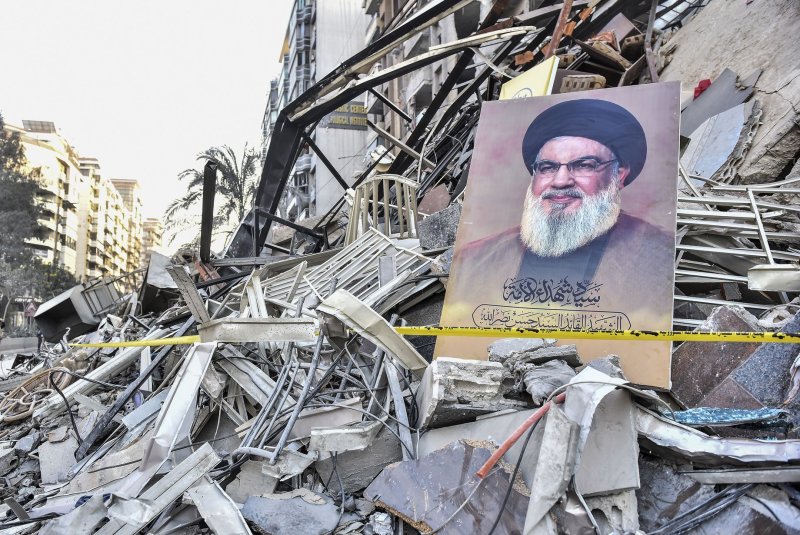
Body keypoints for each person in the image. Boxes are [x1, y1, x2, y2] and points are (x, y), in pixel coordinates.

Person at [446, 98, 674, 327]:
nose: (561, 180)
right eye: (547, 168)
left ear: (619, 175)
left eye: (584, 165)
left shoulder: (656, 251)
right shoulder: (475, 260)